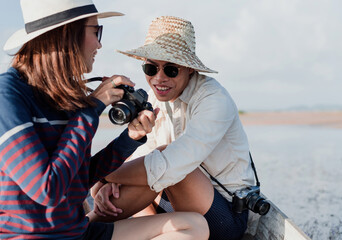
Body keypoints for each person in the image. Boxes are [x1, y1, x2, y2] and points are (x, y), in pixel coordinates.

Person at [0, 2, 209, 239]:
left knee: (194, 225)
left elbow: (78, 178)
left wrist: (130, 138)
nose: (100, 44)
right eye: (95, 32)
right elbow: (47, 190)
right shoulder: (8, 94)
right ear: (68, 34)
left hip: (78, 233)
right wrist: (91, 108)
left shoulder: (65, 92)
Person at [91, 16, 257, 240]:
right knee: (143, 169)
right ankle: (80, 228)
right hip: (172, 202)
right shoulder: (155, 98)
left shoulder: (213, 99)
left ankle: (82, 227)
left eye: (170, 70)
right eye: (151, 68)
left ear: (189, 69)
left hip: (224, 215)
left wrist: (103, 175)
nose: (159, 78)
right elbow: (142, 156)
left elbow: (171, 166)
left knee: (164, 163)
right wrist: (105, 185)